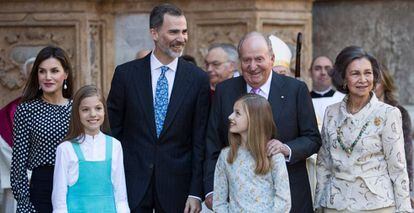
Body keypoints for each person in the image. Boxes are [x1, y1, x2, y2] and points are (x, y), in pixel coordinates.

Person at [107, 3, 210, 213]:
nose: (181, 38)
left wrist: (195, 192)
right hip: (131, 185)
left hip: (178, 190)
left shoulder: (198, 79)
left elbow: (200, 140)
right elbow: (113, 132)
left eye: (184, 31)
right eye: (173, 31)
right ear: (154, 33)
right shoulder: (126, 75)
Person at [204, 31, 321, 213]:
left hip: (290, 198)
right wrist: (211, 190)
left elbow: (313, 139)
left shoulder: (295, 90)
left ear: (272, 59)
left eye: (259, 59)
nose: (253, 66)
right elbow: (212, 144)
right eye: (246, 60)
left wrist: (286, 149)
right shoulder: (224, 91)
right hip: (238, 201)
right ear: (239, 62)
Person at [315, 46, 412, 212]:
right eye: (355, 73)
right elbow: (324, 162)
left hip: (377, 205)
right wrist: (318, 204)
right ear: (343, 79)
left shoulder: (388, 113)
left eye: (368, 73)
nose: (363, 79)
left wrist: (404, 209)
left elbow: (397, 167)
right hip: (335, 204)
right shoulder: (331, 113)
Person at [11, 46, 74, 212]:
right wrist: (24, 204)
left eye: (54, 71)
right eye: (42, 71)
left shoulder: (77, 109)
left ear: (65, 74)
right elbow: (18, 163)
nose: (48, 77)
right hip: (41, 188)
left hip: (74, 187)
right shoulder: (26, 110)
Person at [52, 85, 129, 213]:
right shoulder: (65, 149)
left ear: (104, 110)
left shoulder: (115, 146)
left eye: (98, 108)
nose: (93, 114)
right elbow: (59, 200)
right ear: (77, 113)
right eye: (85, 109)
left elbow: (120, 195)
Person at [213, 94, 291, 212]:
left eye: (237, 113)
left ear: (254, 119)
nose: (230, 116)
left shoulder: (274, 156)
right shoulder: (226, 155)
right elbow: (219, 201)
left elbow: (283, 201)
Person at [374, 66, 413, 207]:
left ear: (385, 84)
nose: (372, 85)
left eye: (377, 81)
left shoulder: (399, 112)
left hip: (391, 185)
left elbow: (406, 156)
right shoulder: (357, 112)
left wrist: (406, 192)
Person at [0, 56, 35, 213]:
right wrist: (28, 174)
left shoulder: (63, 108)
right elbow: (3, 142)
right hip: (19, 182)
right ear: (25, 77)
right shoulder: (11, 110)